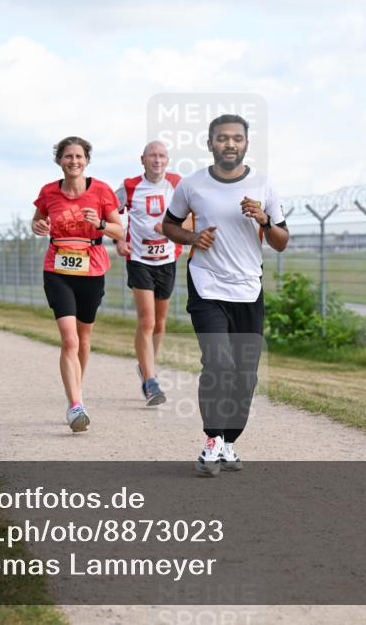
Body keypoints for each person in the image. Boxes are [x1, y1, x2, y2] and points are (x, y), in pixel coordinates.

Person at [162, 114, 289, 476]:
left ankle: (230, 442)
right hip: (207, 284)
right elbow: (169, 224)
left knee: (245, 375)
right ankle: (212, 440)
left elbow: (281, 241)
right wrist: (191, 238)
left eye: (236, 138)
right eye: (222, 138)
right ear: (210, 143)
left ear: (246, 143)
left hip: (248, 288)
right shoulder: (192, 184)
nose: (229, 144)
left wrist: (264, 220)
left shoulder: (264, 184)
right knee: (218, 363)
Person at [32, 136, 122, 433]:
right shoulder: (48, 192)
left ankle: (76, 393)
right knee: (69, 339)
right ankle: (75, 405)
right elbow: (37, 222)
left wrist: (99, 224)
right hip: (57, 268)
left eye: (79, 156)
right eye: (68, 156)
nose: (73, 161)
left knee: (83, 339)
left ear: (87, 160)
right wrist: (39, 226)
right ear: (59, 160)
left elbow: (119, 232)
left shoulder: (101, 191)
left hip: (92, 269)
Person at [114, 141, 189, 406]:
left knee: (159, 322)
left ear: (167, 160)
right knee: (146, 322)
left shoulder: (177, 183)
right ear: (142, 159)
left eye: (162, 156)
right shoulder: (130, 186)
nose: (157, 160)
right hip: (139, 259)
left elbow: (193, 215)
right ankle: (150, 382)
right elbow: (111, 215)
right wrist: (118, 241)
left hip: (167, 259)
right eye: (152, 156)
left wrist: (171, 228)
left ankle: (147, 368)